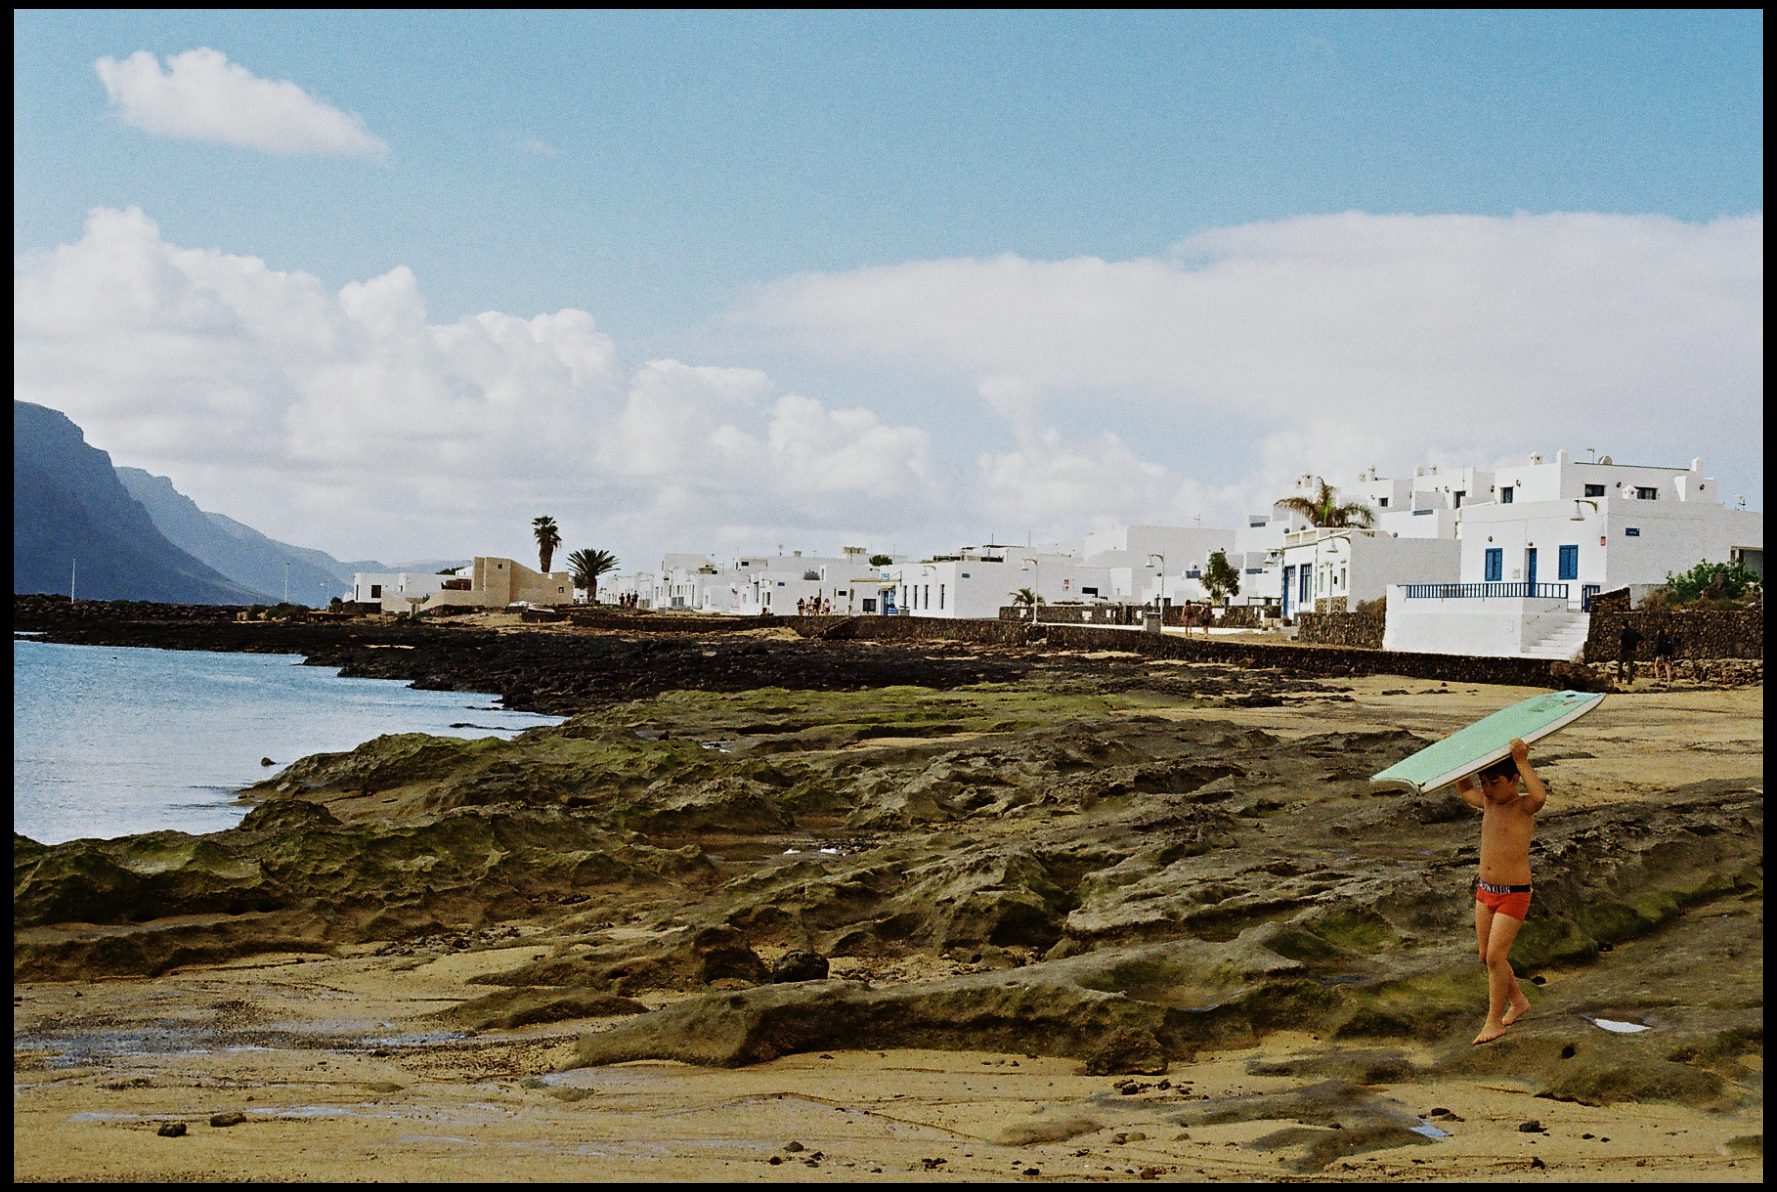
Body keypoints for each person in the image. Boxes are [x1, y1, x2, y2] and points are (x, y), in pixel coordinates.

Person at [1454, 738, 1548, 1045]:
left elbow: (1540, 796)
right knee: (1486, 956)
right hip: (1485, 891)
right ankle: (1518, 1001)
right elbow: (1464, 789)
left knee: (1496, 956)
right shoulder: (1488, 803)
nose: (1488, 788)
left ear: (1514, 780)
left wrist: (1521, 760)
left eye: (1494, 782)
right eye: (1484, 782)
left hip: (1514, 893)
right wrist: (1455, 755)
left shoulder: (1523, 807)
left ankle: (1493, 1021)